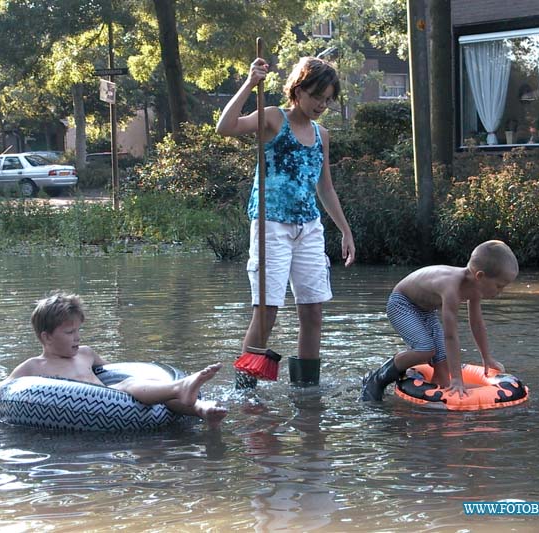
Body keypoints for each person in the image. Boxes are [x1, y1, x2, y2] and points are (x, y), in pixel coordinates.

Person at [216, 56, 355, 386]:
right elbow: (225, 127)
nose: (321, 104)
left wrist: (345, 230)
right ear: (298, 89)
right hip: (271, 225)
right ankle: (246, 388)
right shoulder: (273, 117)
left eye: (327, 99)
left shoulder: (322, 134)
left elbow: (325, 186)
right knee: (267, 311)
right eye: (316, 96)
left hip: (309, 227)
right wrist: (251, 83)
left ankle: (307, 391)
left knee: (312, 311)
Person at [0, 291, 228, 426]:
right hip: (87, 405)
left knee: (140, 388)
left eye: (78, 330)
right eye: (68, 332)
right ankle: (181, 389)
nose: (77, 337)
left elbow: (116, 372)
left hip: (112, 397)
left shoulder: (85, 354)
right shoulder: (33, 367)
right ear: (46, 337)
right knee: (129, 389)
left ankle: (200, 408)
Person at [361, 240, 519, 401]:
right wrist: (457, 379)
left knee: (443, 370)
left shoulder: (475, 289)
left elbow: (477, 324)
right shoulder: (451, 288)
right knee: (426, 349)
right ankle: (377, 379)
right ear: (480, 276)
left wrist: (487, 358)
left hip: (426, 310)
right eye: (499, 286)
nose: (501, 291)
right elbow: (450, 336)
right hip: (402, 303)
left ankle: (439, 413)